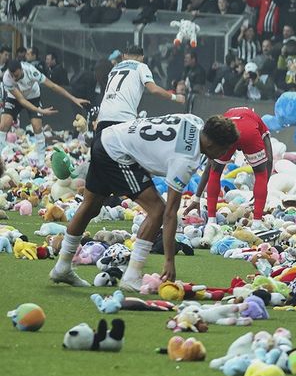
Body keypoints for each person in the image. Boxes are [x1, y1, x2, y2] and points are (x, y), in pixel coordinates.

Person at [50, 114, 239, 289]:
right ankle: (132, 275)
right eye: (225, 149)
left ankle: (62, 267)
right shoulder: (185, 160)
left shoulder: (195, 121)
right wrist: (169, 261)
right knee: (157, 210)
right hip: (118, 154)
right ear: (215, 145)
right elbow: (170, 213)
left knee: (90, 206)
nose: (225, 154)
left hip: (107, 137)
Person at [190, 107, 273, 220]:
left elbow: (209, 167)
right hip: (249, 131)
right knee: (260, 174)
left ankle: (211, 220)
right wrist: (260, 191)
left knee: (215, 172)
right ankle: (257, 222)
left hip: (228, 132)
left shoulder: (224, 123)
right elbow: (270, 159)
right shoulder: (259, 122)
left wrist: (197, 198)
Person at [1, 57, 91, 157]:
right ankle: (1, 154)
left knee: (37, 126)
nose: (14, 78)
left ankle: (40, 159)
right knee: (4, 124)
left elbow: (53, 86)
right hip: (15, 97)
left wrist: (74, 99)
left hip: (33, 96)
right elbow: (21, 100)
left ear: (21, 69)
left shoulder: (31, 71)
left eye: (16, 75)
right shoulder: (7, 78)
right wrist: (40, 110)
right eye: (12, 75)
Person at [96, 45, 185, 134]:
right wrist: (175, 97)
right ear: (142, 57)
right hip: (123, 118)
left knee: (103, 147)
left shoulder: (114, 69)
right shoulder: (141, 66)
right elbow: (154, 89)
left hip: (103, 117)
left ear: (124, 56)